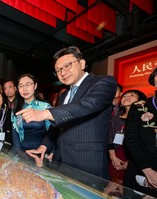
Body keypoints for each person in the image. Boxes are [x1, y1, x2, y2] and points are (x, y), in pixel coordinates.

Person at [16, 46, 117, 178]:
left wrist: (45, 113)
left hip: (87, 162)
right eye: (58, 70)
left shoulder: (104, 82)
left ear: (82, 63)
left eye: (67, 66)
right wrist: (44, 146)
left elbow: (87, 105)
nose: (63, 72)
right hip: (60, 160)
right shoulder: (64, 95)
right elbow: (58, 126)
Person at [124, 68, 157, 197]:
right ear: (154, 81)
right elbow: (131, 139)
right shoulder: (139, 106)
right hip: (140, 169)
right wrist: (148, 171)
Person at [11, 74, 52, 167]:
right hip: (22, 155)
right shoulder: (16, 109)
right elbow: (15, 138)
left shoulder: (45, 107)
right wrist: (17, 157)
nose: (24, 89)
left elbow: (52, 132)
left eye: (28, 84)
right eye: (21, 86)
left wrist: (50, 151)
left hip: (42, 154)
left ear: (35, 86)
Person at [108, 89, 146, 184]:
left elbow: (144, 144)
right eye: (124, 96)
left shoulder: (144, 119)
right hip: (115, 156)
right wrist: (113, 157)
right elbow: (109, 137)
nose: (126, 97)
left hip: (135, 160)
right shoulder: (116, 117)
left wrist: (130, 162)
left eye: (132, 95)